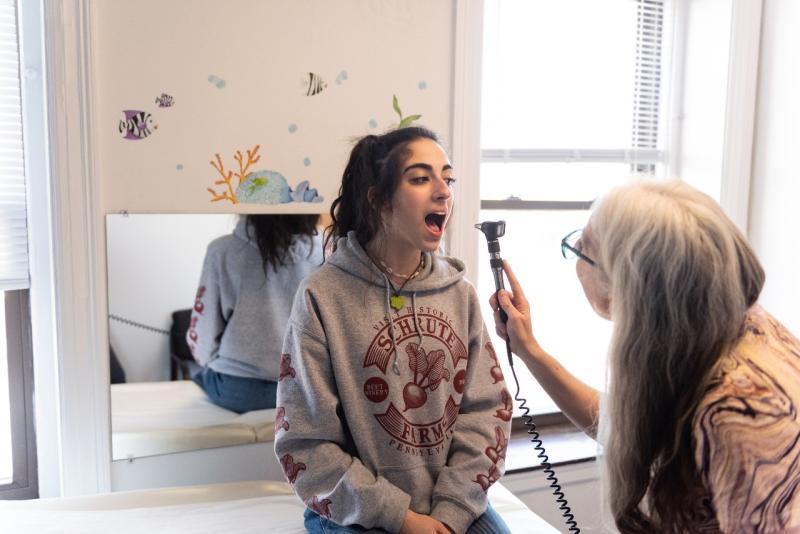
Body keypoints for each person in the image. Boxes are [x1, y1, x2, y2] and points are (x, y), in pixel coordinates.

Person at [490, 179, 800, 533]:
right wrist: (529, 350)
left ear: (631, 285)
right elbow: (625, 423)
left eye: (584, 250)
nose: (576, 257)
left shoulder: (742, 410)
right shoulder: (724, 329)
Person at [273, 127, 513, 534]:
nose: (443, 192)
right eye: (420, 178)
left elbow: (486, 413)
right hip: (356, 509)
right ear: (378, 200)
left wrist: (451, 511)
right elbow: (306, 442)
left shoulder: (460, 294)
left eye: (447, 178)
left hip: (448, 504)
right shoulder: (322, 295)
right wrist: (399, 517)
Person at [187, 214, 322, 414]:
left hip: (240, 391)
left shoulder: (222, 250)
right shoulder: (325, 253)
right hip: (305, 391)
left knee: (199, 375)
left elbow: (203, 341)